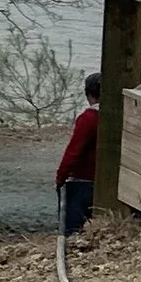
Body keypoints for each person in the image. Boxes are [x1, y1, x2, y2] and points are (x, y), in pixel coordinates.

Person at [56, 70, 103, 236]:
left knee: (73, 225)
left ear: (88, 94)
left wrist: (61, 176)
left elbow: (74, 151)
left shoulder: (89, 118)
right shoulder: (118, 116)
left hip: (82, 181)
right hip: (105, 181)